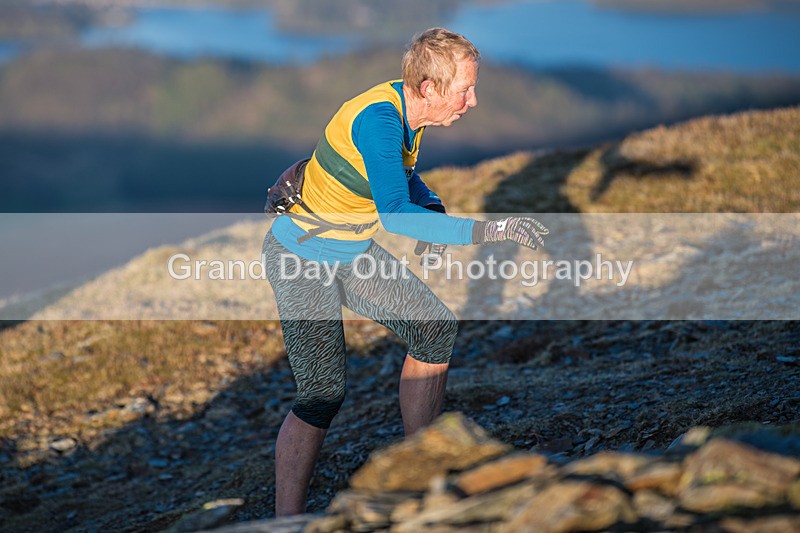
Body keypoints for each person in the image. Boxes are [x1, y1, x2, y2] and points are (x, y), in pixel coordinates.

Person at [262, 27, 549, 516]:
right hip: (302, 260)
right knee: (322, 394)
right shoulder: (379, 120)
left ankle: (422, 469)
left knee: (434, 328)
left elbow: (399, 177)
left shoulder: (404, 112)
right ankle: (285, 522)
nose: (473, 101)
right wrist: (490, 231)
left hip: (349, 252)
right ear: (429, 89)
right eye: (465, 90)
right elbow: (394, 212)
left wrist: (433, 212)